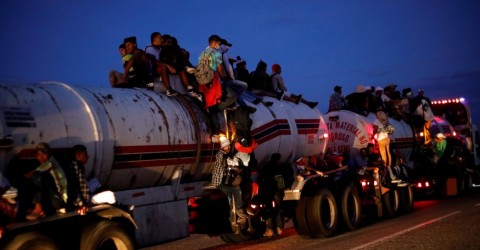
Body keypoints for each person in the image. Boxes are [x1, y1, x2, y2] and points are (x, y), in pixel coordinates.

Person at [197, 35, 237, 138]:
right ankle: (216, 127)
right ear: (214, 43)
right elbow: (220, 70)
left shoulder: (203, 53)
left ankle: (215, 130)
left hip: (203, 82)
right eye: (218, 44)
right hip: (213, 80)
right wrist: (225, 79)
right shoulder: (217, 53)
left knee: (210, 106)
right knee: (232, 96)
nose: (219, 46)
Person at [26, 143, 68, 220]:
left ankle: (38, 208)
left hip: (60, 200)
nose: (41, 157)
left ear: (49, 154)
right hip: (55, 199)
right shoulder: (48, 164)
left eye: (44, 154)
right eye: (39, 154)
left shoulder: (51, 163)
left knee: (37, 176)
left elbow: (32, 174)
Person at [210, 138, 247, 220]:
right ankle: (239, 210)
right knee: (236, 189)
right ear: (223, 147)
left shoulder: (226, 154)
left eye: (229, 147)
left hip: (224, 179)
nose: (228, 148)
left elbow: (230, 161)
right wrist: (234, 168)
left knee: (231, 192)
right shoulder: (220, 154)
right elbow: (224, 163)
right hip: (219, 181)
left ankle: (232, 213)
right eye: (226, 147)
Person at [159, 35, 203, 101]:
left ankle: (190, 89)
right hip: (168, 68)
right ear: (164, 43)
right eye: (168, 42)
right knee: (168, 68)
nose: (170, 44)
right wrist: (169, 66)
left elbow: (181, 59)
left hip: (178, 68)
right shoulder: (162, 52)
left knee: (181, 69)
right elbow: (161, 62)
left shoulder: (175, 50)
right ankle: (169, 89)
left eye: (171, 42)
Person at [259, 153, 288, 237]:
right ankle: (279, 228)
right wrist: (282, 190)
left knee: (269, 209)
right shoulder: (278, 167)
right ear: (278, 159)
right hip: (276, 191)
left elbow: (262, 178)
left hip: (267, 190)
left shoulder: (266, 167)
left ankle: (271, 229)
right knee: (278, 208)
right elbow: (280, 180)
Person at [373, 111, 400, 183]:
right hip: (387, 139)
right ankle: (389, 165)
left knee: (383, 154)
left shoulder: (376, 121)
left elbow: (375, 130)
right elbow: (391, 131)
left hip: (381, 139)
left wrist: (372, 136)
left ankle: (385, 166)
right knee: (388, 153)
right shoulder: (385, 122)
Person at [68, 145, 90, 215]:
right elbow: (74, 187)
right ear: (78, 155)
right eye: (85, 154)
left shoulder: (78, 166)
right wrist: (80, 204)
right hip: (78, 205)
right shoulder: (75, 166)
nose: (88, 156)